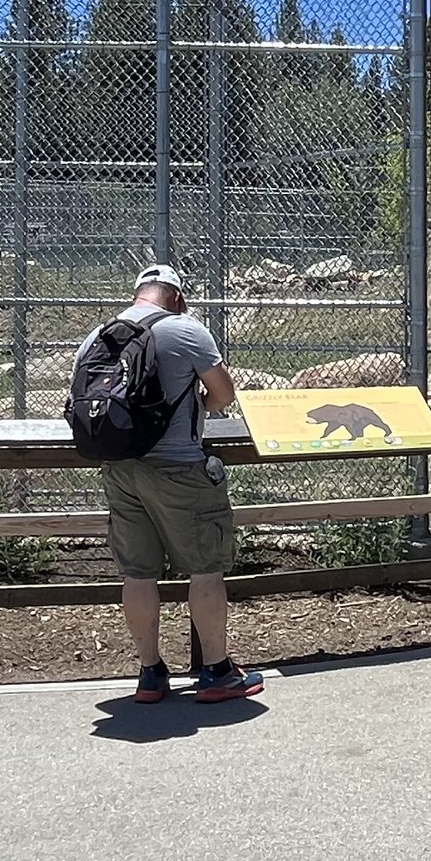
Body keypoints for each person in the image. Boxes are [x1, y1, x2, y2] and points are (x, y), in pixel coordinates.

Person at [78, 263, 258, 705]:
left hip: (121, 470)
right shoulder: (185, 330)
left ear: (138, 293)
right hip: (180, 468)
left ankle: (150, 673)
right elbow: (222, 394)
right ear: (176, 297)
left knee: (137, 573)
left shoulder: (99, 335)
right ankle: (217, 671)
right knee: (205, 567)